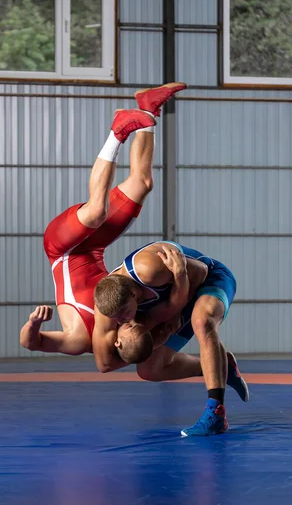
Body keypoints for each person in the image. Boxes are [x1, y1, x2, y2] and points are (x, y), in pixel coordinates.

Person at [20, 83, 186, 355]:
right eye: (140, 329)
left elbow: (31, 343)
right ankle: (148, 108)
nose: (131, 323)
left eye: (130, 329)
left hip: (61, 249)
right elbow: (171, 306)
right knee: (142, 184)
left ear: (117, 342)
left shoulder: (80, 339)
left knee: (97, 211)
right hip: (93, 245)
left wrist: (34, 324)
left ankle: (117, 133)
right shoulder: (133, 308)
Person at [93, 240, 249, 436]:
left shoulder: (149, 270)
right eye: (116, 318)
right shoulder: (106, 309)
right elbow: (105, 364)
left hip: (209, 278)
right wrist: (156, 339)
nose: (120, 321)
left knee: (202, 321)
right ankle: (222, 365)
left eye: (124, 313)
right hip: (177, 297)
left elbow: (201, 271)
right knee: (149, 370)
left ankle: (216, 412)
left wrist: (178, 295)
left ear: (134, 294)